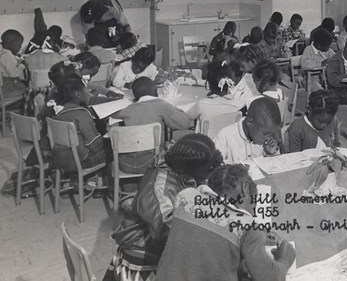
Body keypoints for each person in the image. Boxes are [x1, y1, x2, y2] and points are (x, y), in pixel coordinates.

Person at [105, 134, 223, 281]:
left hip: (158, 246)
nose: (204, 180)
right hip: (142, 258)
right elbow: (169, 234)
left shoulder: (177, 167)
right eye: (202, 177)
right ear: (185, 172)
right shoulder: (159, 191)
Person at [158, 164, 296, 281]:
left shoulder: (185, 197)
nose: (253, 213)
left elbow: (209, 234)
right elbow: (269, 277)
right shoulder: (247, 227)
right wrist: (285, 259)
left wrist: (252, 239)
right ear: (246, 188)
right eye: (254, 203)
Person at [113, 77, 193, 174]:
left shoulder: (127, 109)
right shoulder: (162, 106)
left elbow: (113, 115)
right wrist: (175, 109)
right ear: (156, 91)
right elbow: (185, 124)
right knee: (174, 146)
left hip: (125, 164)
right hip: (153, 162)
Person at [50, 75, 106, 173]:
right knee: (114, 148)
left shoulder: (59, 112)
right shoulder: (82, 115)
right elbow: (94, 145)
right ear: (77, 94)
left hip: (61, 159)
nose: (89, 93)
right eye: (87, 90)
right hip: (80, 161)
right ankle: (102, 182)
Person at [213, 97, 283, 163]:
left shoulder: (262, 136)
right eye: (265, 134)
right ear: (250, 123)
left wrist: (271, 154)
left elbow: (275, 169)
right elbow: (214, 166)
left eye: (271, 134)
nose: (268, 138)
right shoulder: (225, 136)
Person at [300, 28, 335, 92]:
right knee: (321, 92)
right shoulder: (308, 50)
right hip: (310, 79)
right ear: (319, 45)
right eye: (327, 46)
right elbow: (305, 65)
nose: (329, 48)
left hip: (324, 79)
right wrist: (321, 64)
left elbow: (334, 57)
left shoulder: (327, 51)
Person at [0, 29, 28, 100]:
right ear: (12, 44)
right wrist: (23, 65)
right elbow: (13, 74)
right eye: (19, 44)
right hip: (8, 86)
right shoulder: (7, 56)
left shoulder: (3, 53)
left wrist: (18, 61)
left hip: (5, 85)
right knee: (29, 89)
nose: (20, 47)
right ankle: (24, 108)